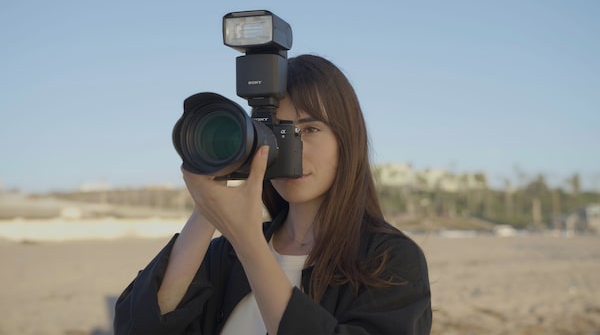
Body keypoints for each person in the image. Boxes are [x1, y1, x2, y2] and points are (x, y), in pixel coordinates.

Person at [114, 54, 432, 334]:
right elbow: (140, 326)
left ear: (346, 142)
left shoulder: (389, 260)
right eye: (278, 133)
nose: (291, 150)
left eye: (309, 129)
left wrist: (249, 244)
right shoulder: (224, 255)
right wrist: (208, 202)